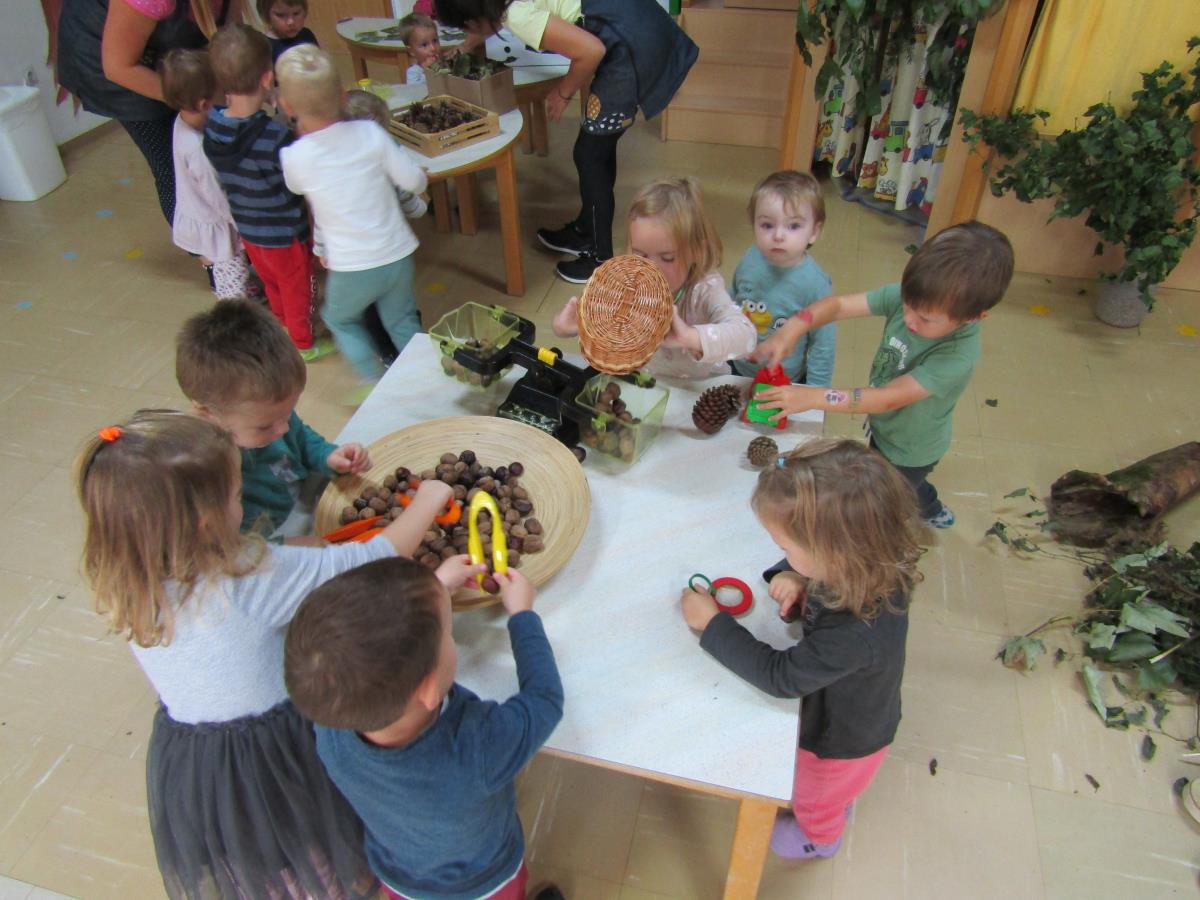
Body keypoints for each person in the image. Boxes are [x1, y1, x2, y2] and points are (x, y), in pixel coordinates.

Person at [75, 409, 455, 899]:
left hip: (200, 762)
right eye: (237, 495)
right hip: (278, 750)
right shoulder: (247, 578)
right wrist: (428, 500)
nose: (243, 502)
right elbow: (373, 558)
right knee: (313, 844)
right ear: (207, 521)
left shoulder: (124, 575)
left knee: (254, 853)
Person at [679, 439, 923, 859]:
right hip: (855, 711)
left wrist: (713, 625)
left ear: (833, 553)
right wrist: (797, 576)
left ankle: (821, 837)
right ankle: (833, 805)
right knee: (830, 789)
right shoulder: (874, 562)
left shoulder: (855, 632)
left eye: (786, 549)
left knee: (815, 797)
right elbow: (821, 583)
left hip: (839, 742)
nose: (783, 555)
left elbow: (783, 676)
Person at [284, 558, 565, 900]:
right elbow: (545, 700)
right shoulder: (478, 748)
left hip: (401, 880)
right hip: (486, 885)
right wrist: (523, 616)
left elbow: (368, 649)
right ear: (429, 690)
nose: (449, 632)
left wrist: (430, 594)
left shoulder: (331, 728)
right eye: (448, 631)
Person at [751, 221, 1014, 529]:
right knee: (895, 479)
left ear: (973, 317)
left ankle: (925, 509)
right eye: (907, 305)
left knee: (892, 495)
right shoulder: (917, 297)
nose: (909, 318)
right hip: (885, 428)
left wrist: (812, 397)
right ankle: (923, 500)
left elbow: (887, 399)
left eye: (924, 318)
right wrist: (793, 327)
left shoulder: (957, 355)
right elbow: (838, 305)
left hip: (911, 449)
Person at [435, 0, 699, 284]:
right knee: (597, 147)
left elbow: (591, 51)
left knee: (589, 154)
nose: (469, 32)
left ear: (473, 17)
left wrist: (562, 93)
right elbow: (489, 21)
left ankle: (599, 257)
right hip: (637, 24)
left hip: (632, 46)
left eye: (466, 26)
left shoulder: (517, 14)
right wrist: (467, 44)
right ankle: (586, 231)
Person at [277, 45, 428, 394]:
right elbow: (413, 181)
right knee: (401, 320)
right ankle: (426, 379)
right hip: (398, 254)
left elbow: (299, 189)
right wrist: (421, 179)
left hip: (352, 266)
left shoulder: (295, 157)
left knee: (339, 318)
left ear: (287, 106)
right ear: (343, 97)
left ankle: (372, 380)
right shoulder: (371, 134)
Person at [176, 299, 371, 538]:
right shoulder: (208, 469)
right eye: (265, 427)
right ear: (209, 414)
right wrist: (283, 548)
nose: (283, 429)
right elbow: (234, 545)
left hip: (304, 501)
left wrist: (328, 456)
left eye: (288, 414)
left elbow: (302, 438)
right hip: (269, 539)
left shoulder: (268, 416)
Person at [203, 24, 332, 360]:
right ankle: (302, 343)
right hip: (285, 233)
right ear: (267, 78)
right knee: (298, 289)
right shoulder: (275, 137)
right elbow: (296, 182)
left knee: (272, 283)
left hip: (250, 230)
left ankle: (281, 324)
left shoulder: (213, 127)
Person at [552, 176, 756, 378]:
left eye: (667, 258)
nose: (651, 269)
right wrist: (573, 326)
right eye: (640, 255)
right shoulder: (628, 285)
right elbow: (604, 334)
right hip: (647, 384)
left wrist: (689, 337)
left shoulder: (704, 289)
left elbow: (747, 338)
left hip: (699, 389)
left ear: (697, 251)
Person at [57, 0, 235, 225]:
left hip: (162, 50)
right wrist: (190, 97)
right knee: (174, 171)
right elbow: (118, 67)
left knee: (206, 156)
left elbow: (229, 36)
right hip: (112, 63)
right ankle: (199, 246)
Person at [160, 48, 255, 299]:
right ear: (204, 104)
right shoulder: (198, 150)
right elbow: (217, 196)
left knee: (231, 266)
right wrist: (244, 224)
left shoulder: (182, 121)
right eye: (222, 96)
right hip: (215, 219)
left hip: (198, 211)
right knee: (231, 274)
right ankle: (236, 311)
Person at [730, 170, 835, 386]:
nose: (778, 236)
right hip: (737, 368)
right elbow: (731, 301)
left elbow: (823, 346)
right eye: (767, 225)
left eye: (793, 226)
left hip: (784, 380)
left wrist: (815, 392)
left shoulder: (815, 284)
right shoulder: (750, 258)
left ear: (814, 232)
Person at [397, 12, 443, 84]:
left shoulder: (442, 63)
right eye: (424, 45)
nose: (433, 48)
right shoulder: (413, 72)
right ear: (411, 51)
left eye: (435, 41)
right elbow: (415, 88)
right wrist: (428, 70)